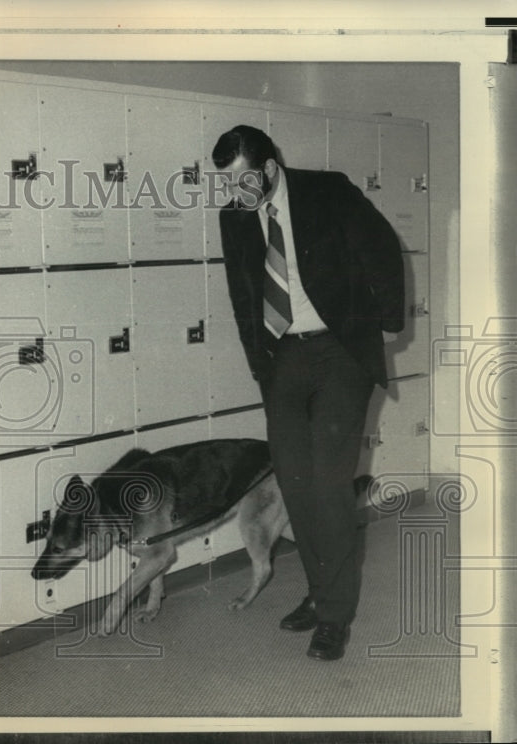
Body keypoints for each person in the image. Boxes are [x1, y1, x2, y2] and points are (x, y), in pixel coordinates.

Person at [211, 125, 405, 661]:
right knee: (295, 487)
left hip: (340, 351)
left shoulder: (326, 191)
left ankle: (334, 615)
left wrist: (388, 321)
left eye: (245, 180)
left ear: (270, 169)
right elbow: (243, 294)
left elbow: (382, 247)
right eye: (227, 184)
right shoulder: (234, 216)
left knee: (327, 484)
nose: (236, 194)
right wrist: (261, 368)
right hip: (284, 359)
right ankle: (321, 595)